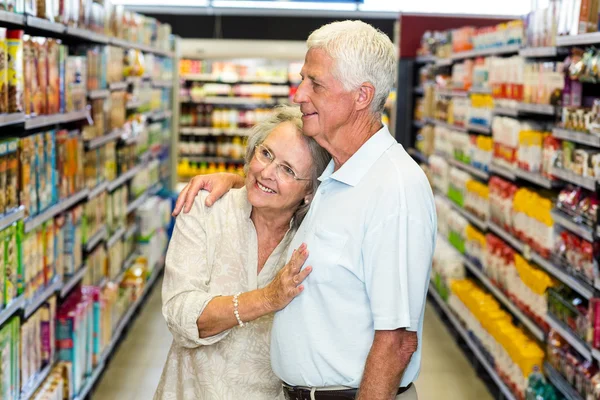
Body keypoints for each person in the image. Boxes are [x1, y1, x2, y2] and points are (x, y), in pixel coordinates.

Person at [173, 20, 436, 400]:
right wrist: (237, 181)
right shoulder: (338, 171)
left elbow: (396, 341)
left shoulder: (394, 188)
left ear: (362, 95)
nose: (299, 94)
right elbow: (293, 188)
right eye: (302, 80)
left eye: (316, 83)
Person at [155, 105, 331, 400]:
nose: (266, 172)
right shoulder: (206, 208)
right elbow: (179, 315)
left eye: (288, 169)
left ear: (310, 191)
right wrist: (266, 298)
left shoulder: (312, 240)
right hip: (190, 391)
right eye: (266, 154)